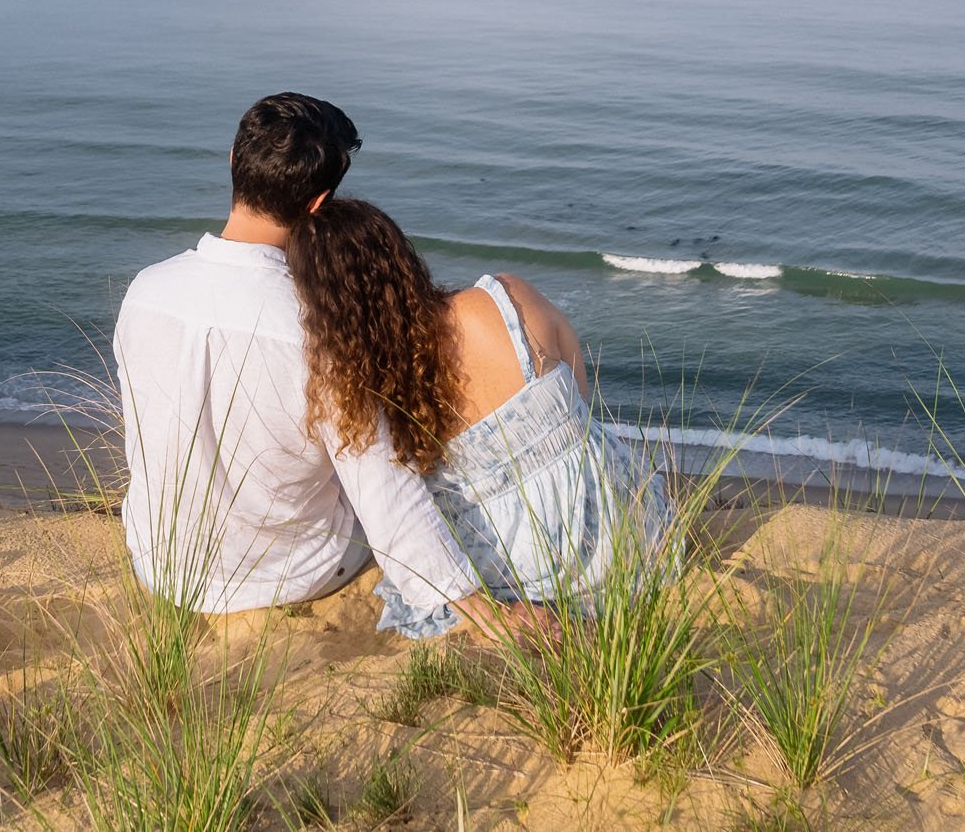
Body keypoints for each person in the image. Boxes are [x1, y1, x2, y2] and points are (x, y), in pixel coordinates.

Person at [113, 93, 538, 640]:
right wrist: (482, 610)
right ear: (319, 205)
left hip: (163, 564)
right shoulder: (316, 327)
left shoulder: (146, 291)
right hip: (287, 575)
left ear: (232, 162)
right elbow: (385, 493)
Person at [287, 196, 672, 638]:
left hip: (513, 567)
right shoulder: (506, 297)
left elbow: (395, 506)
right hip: (622, 531)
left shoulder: (375, 392)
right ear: (400, 253)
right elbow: (579, 397)